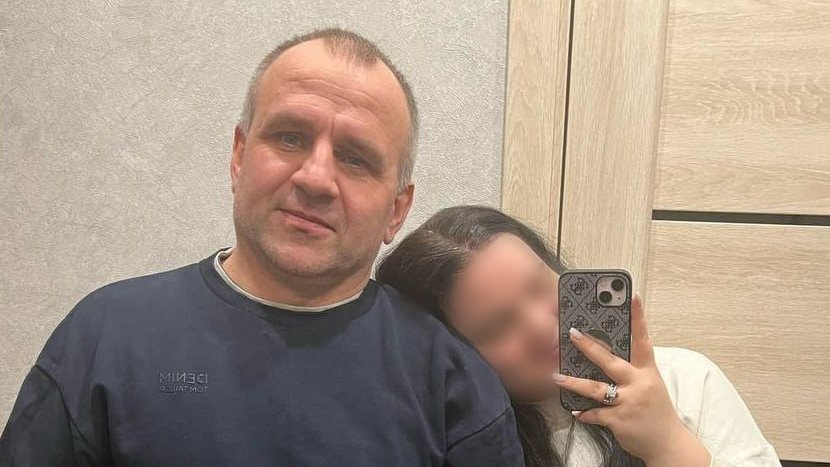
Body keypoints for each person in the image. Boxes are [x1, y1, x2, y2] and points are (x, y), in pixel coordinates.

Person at [0, 30, 525, 466]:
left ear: (397, 209)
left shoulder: (453, 384)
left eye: (355, 158)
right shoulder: (105, 338)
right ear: (239, 155)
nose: (316, 178)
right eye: (290, 137)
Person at [376, 205, 781, 467]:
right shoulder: (464, 441)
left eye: (539, 286)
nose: (540, 325)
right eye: (498, 326)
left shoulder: (687, 380)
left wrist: (668, 444)